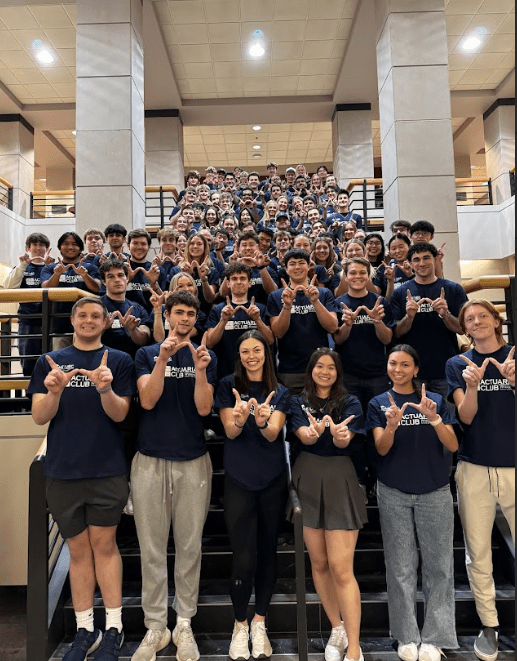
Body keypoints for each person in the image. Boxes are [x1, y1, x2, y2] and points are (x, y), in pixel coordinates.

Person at [29, 297, 135, 660]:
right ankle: (84, 628)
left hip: (106, 469)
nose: (89, 321)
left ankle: (114, 629)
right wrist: (55, 391)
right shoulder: (48, 362)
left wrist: (105, 388)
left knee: (104, 547)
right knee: (77, 551)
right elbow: (39, 417)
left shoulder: (119, 361)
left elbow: (121, 415)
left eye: (95, 316)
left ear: (106, 322)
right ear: (72, 320)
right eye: (82, 315)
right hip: (63, 471)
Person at [131, 291, 216, 661]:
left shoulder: (203, 356)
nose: (184, 319)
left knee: (189, 547)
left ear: (196, 319)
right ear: (166, 315)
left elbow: (203, 408)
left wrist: (199, 369)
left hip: (192, 460)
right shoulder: (146, 355)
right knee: (151, 549)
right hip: (149, 461)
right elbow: (147, 400)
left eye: (190, 314)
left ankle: (183, 623)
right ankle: (155, 627)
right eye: (178, 313)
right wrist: (163, 359)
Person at [366, 345, 459, 661]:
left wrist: (433, 418)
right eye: (393, 363)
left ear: (416, 369)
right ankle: (406, 635)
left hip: (435, 490)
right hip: (393, 491)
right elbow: (380, 449)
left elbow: (453, 443)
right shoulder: (378, 403)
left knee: (440, 567)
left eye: (405, 364)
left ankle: (435, 637)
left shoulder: (435, 400)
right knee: (400, 566)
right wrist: (391, 425)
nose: (398, 369)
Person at [445, 300, 515, 661]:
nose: (476, 322)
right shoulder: (458, 364)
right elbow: (466, 417)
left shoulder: (515, 356)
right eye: (469, 319)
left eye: (482, 316)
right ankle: (490, 625)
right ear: (465, 328)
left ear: (496, 320)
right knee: (478, 553)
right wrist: (473, 386)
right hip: (475, 468)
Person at [215, 331, 290, 660]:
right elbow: (230, 431)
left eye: (257, 350)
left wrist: (259, 421)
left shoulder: (281, 391)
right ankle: (240, 624)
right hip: (238, 480)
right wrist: (240, 417)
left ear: (266, 352)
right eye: (245, 351)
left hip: (272, 480)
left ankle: (260, 623)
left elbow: (274, 434)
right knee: (243, 557)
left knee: (267, 553)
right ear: (239, 355)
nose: (251, 356)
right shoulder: (226, 386)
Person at [289, 348, 367, 661]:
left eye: (330, 367)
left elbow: (344, 441)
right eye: (319, 366)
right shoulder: (298, 401)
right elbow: (304, 437)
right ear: (311, 370)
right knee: (318, 562)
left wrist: (338, 436)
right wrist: (314, 432)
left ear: (338, 372)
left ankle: (355, 647)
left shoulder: (350, 402)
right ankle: (337, 628)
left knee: (341, 567)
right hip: (307, 475)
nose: (324, 371)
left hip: (339, 477)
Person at [389, 242, 467, 399]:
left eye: (426, 258)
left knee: (447, 420)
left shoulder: (453, 289)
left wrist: (445, 314)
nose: (422, 263)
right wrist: (409, 316)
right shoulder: (400, 293)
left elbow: (463, 329)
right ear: (410, 264)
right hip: (411, 371)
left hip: (445, 368)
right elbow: (396, 332)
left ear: (435, 260)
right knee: (415, 420)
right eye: (416, 259)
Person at [267, 249, 338, 395]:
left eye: (301, 263)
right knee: (293, 415)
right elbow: (278, 333)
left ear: (309, 266)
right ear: (286, 270)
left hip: (320, 367)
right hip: (290, 370)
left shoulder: (323, 293)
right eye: (292, 264)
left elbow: (332, 327)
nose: (297, 267)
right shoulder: (275, 296)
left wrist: (315, 301)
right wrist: (287, 306)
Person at [206, 263, 274, 379]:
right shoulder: (217, 310)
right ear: (228, 283)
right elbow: (210, 343)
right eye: (234, 279)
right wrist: (223, 320)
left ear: (249, 283)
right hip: (226, 372)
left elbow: (270, 340)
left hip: (256, 372)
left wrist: (257, 319)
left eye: (243, 278)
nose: (238, 282)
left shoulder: (260, 309)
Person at [41, 231, 101, 349]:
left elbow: (97, 287)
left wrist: (84, 275)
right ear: (60, 247)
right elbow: (45, 288)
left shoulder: (90, 268)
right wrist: (57, 274)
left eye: (74, 244)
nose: (70, 247)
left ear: (80, 248)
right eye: (66, 244)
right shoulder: (50, 268)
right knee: (60, 363)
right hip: (58, 325)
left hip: (86, 324)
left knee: (86, 362)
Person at [3, 232, 53, 375]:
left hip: (50, 321)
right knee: (29, 363)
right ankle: (30, 397)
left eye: (42, 245)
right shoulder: (22, 267)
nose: (38, 248)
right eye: (34, 245)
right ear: (28, 248)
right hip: (27, 321)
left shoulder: (53, 267)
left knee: (51, 363)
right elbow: (8, 287)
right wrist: (22, 265)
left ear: (47, 248)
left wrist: (52, 268)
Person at [99, 259, 152, 358]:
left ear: (127, 278)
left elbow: (145, 340)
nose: (117, 280)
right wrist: (101, 329)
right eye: (111, 276)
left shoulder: (138, 308)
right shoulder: (95, 307)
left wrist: (133, 330)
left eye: (120, 275)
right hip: (102, 362)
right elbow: (80, 339)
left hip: (132, 362)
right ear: (104, 281)